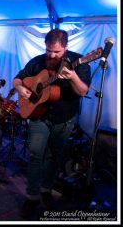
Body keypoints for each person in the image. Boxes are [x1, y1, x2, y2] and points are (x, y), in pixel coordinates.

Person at [12, 29, 91, 218]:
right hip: (39, 116)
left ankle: (46, 189)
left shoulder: (79, 62)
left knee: (53, 157)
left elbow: (82, 91)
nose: (51, 55)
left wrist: (72, 77)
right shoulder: (38, 61)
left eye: (56, 51)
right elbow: (17, 79)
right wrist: (21, 88)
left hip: (64, 119)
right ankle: (32, 197)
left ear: (66, 46)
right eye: (49, 50)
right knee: (35, 154)